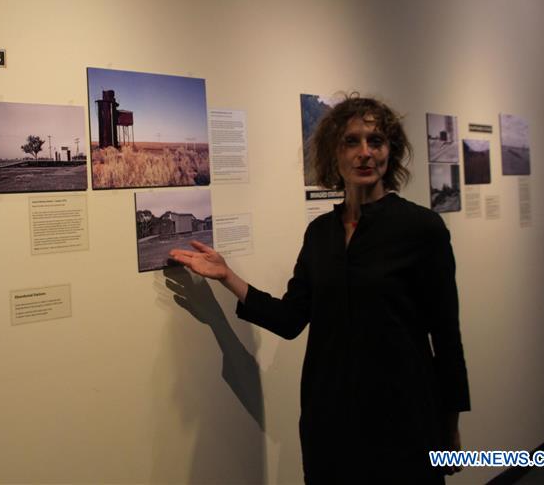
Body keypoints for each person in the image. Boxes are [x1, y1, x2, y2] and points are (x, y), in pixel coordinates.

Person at [169, 95, 470, 484]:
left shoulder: (422, 229)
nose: (364, 153)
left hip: (403, 418)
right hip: (329, 421)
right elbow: (292, 318)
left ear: (390, 152)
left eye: (375, 141)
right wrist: (228, 276)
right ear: (334, 153)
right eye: (352, 141)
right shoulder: (321, 233)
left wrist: (449, 426)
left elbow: (447, 338)